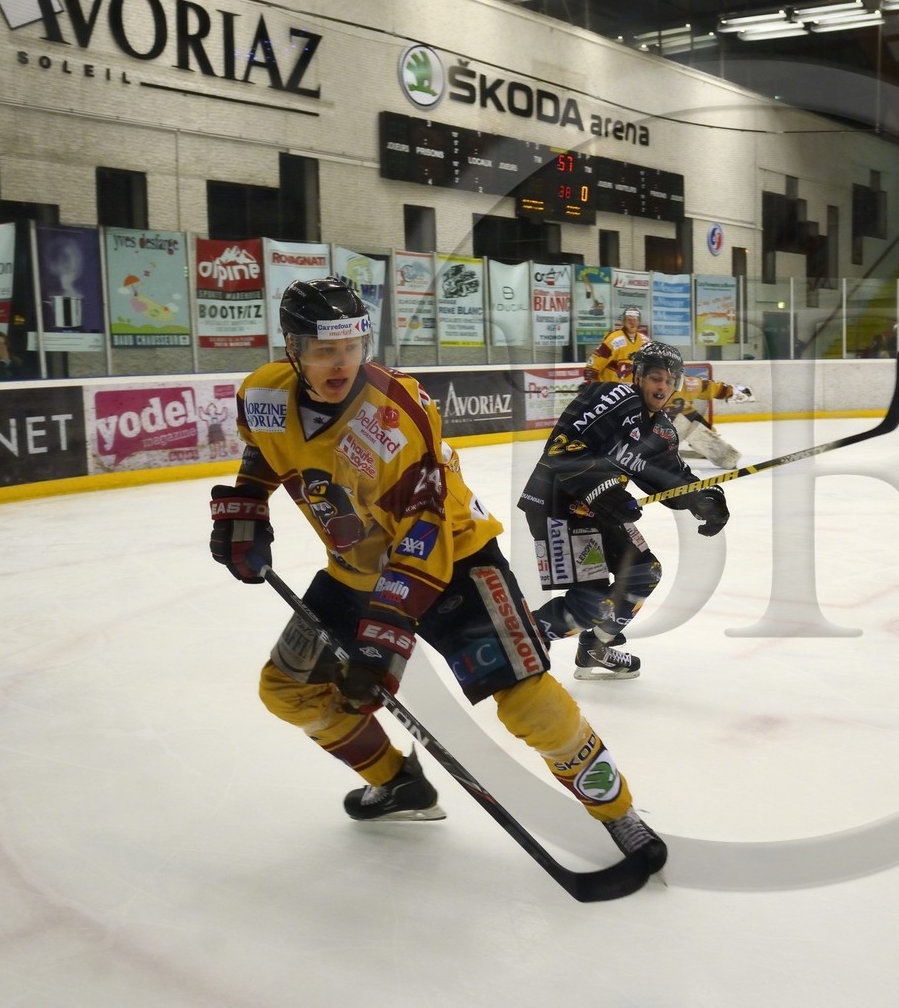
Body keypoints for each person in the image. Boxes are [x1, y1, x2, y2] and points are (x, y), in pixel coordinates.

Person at [206, 276, 665, 872]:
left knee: (526, 700)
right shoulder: (262, 395)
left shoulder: (395, 415)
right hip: (355, 568)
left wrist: (385, 639)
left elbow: (422, 534)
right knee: (288, 689)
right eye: (323, 350)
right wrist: (248, 504)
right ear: (292, 350)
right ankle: (398, 784)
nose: (340, 363)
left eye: (350, 346)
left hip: (455, 557)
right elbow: (265, 449)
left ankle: (618, 813)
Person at [519, 340, 729, 680]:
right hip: (559, 506)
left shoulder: (661, 429)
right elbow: (561, 449)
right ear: (639, 377)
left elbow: (670, 478)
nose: (662, 386)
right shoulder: (611, 397)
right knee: (592, 601)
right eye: (655, 378)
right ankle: (522, 643)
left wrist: (701, 497)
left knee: (644, 573)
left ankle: (594, 650)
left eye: (669, 380)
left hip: (599, 512)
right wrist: (598, 488)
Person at [669, 370, 755, 469]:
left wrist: (732, 391)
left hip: (668, 431)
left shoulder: (686, 384)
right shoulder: (648, 385)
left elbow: (708, 387)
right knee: (680, 421)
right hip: (651, 434)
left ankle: (724, 457)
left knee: (688, 423)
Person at [584, 306, 648, 383]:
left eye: (635, 320)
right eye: (629, 320)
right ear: (623, 322)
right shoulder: (614, 339)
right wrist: (588, 379)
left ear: (639, 322)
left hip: (630, 389)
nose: (632, 323)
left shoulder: (644, 341)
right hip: (608, 389)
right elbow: (598, 358)